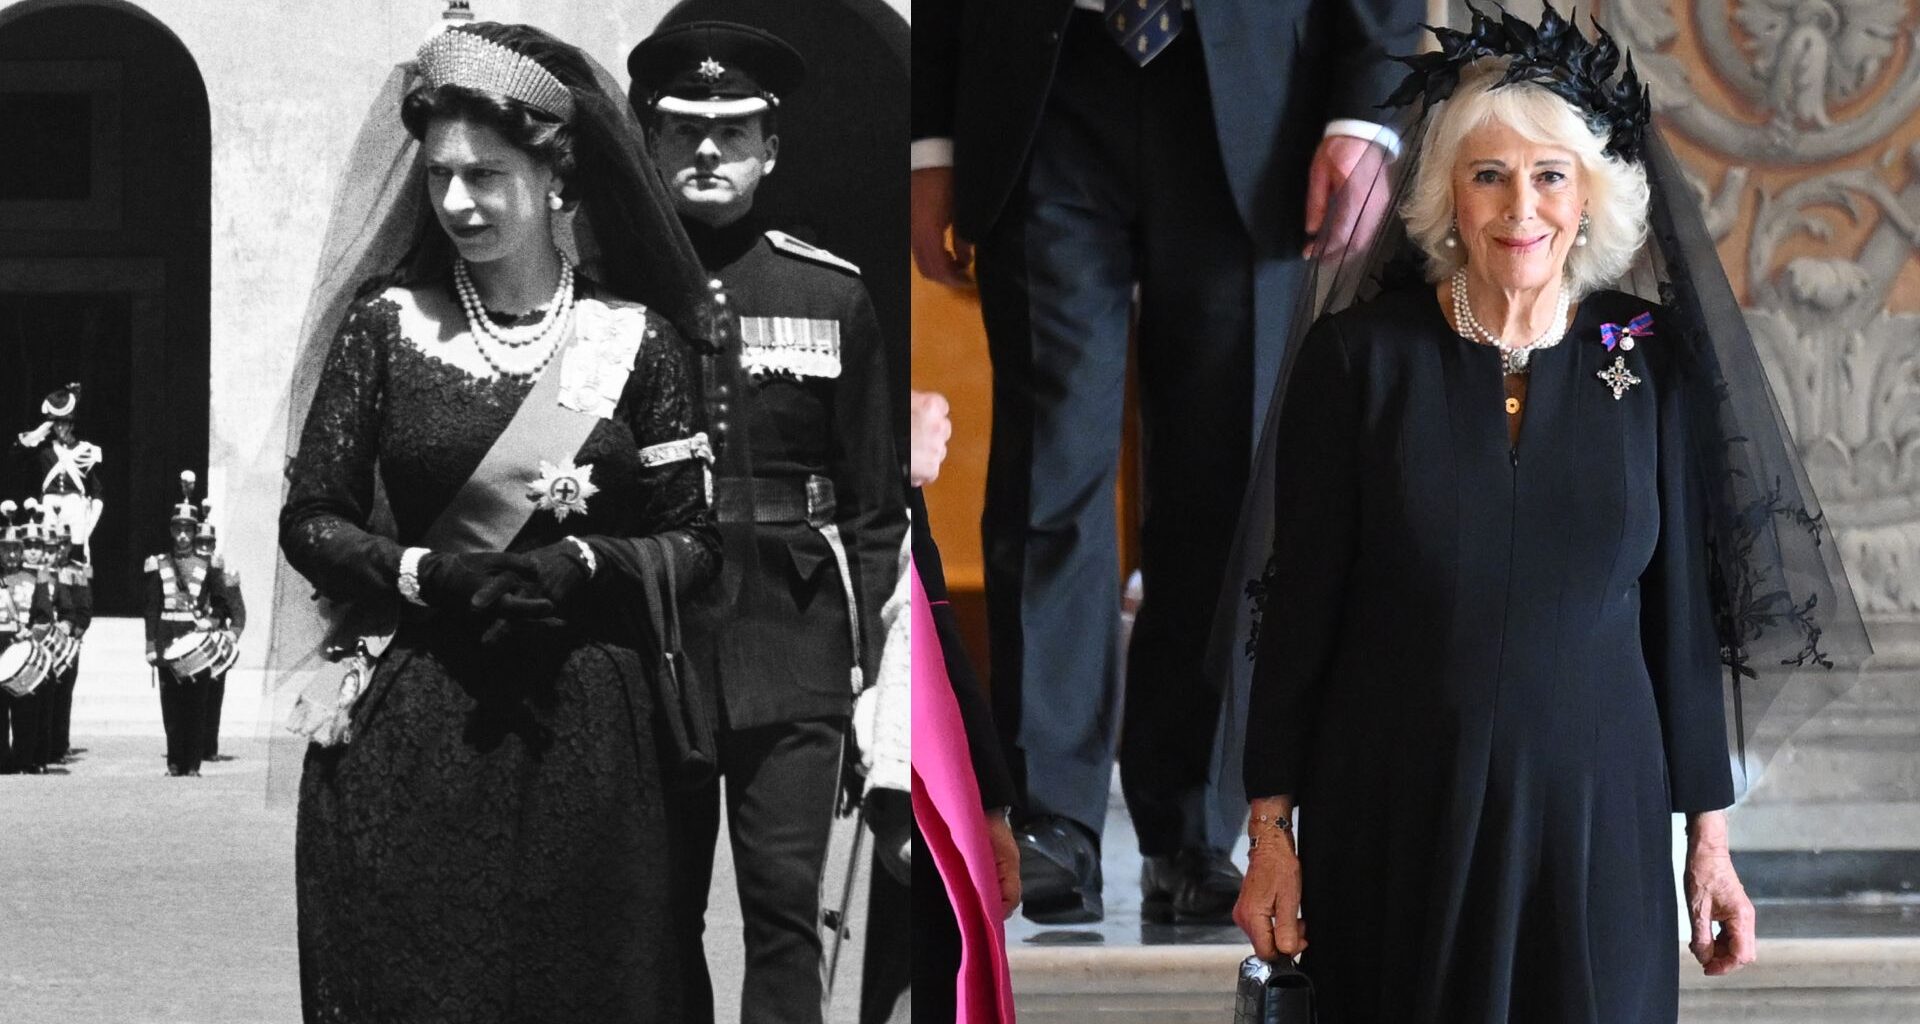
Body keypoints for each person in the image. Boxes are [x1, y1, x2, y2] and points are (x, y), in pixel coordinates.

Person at [1229, 8, 1871, 1020]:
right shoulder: (1360, 361)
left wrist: (1710, 840)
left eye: (1549, 175)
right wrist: (1270, 832)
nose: (1519, 206)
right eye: (1489, 174)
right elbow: (1297, 609)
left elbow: (1681, 621)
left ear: (1590, 198)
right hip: (1396, 813)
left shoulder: (1649, 357)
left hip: (1598, 822)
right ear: (1447, 193)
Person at [910, 0, 1425, 922]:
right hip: (1043, 80)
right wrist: (934, 140)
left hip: (1256, 96)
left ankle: (1192, 824)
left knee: (1224, 489)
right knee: (1049, 474)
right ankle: (1053, 820)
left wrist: (1365, 113)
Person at [275, 20, 721, 1022]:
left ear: (558, 179)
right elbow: (312, 520)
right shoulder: (387, 328)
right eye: (439, 176)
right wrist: (426, 573)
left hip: (593, 733)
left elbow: (700, 541)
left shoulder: (635, 342)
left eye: (487, 174)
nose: (457, 201)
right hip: (415, 720)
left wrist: (591, 562)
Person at [627, 21, 908, 1023]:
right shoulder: (612, 294)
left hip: (792, 640)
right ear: (648, 142)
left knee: (787, 912)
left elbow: (876, 506)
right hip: (649, 636)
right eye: (684, 131)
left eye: (733, 132)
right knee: (655, 916)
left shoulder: (830, 295)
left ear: (770, 149)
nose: (708, 151)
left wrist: (884, 679)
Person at [145, 472, 237, 778]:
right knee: (171, 705)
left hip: (196, 640)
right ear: (172, 531)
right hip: (168, 637)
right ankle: (175, 762)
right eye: (178, 529)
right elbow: (152, 607)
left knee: (196, 706)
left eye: (188, 530)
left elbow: (224, 604)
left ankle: (193, 764)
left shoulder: (207, 567)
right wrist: (150, 645)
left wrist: (210, 622)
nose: (183, 535)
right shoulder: (159, 563)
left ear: (194, 531)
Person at [13, 383, 105, 562]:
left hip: (75, 510)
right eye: (56, 424)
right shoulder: (45, 449)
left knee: (75, 563)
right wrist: (41, 429)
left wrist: (89, 525)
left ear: (72, 424)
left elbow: (97, 493)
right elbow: (16, 454)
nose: (60, 428)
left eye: (64, 423)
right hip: (49, 509)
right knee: (48, 559)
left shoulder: (86, 451)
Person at [0, 500, 54, 774]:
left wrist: (29, 634)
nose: (10, 555)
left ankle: (25, 759)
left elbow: (45, 616)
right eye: (5, 549)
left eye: (15, 550)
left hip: (22, 650)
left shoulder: (36, 578)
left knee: (25, 711)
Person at [194, 511, 242, 762]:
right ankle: (190, 747)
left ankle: (209, 747)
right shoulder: (187, 573)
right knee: (192, 699)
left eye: (208, 544)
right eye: (199, 543)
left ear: (214, 545)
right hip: (194, 642)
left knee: (213, 699)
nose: (203, 548)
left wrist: (232, 635)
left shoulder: (225, 575)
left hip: (215, 644)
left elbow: (239, 614)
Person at [41, 521, 90, 764]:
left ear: (69, 546)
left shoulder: (78, 571)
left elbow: (84, 610)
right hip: (41, 641)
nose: (59, 549)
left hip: (66, 643)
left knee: (63, 696)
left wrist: (73, 635)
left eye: (63, 544)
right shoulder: (38, 572)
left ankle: (60, 746)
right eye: (54, 544)